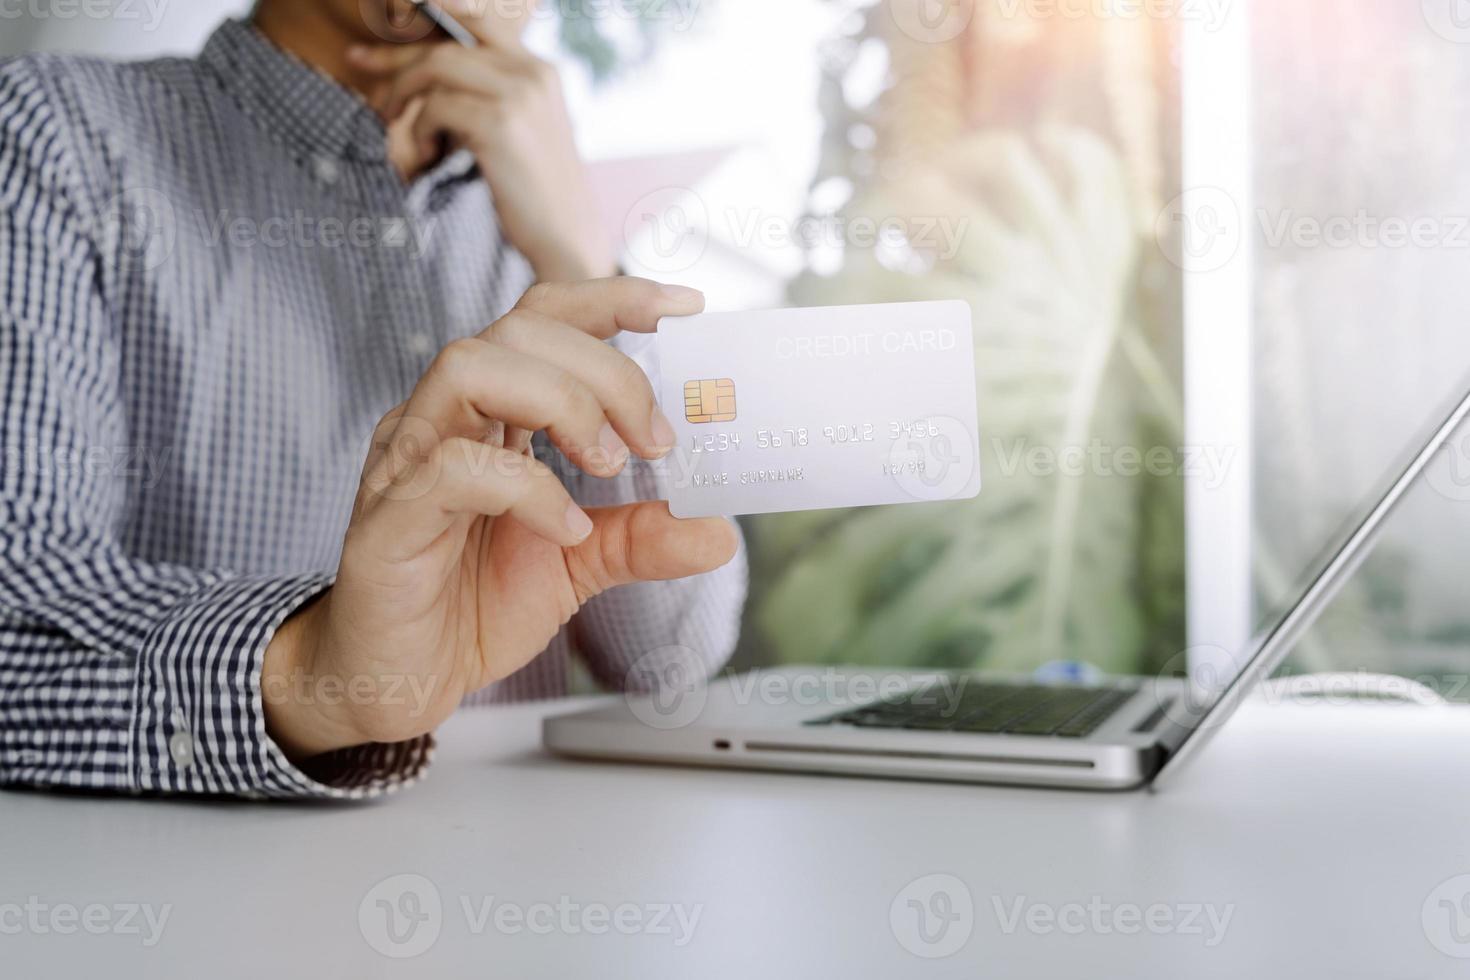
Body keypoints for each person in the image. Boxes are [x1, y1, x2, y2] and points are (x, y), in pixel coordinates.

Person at [0, 0, 746, 799]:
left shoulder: (547, 206)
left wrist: (582, 262)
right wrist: (315, 673)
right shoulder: (54, 135)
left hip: (530, 890)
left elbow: (672, 656)